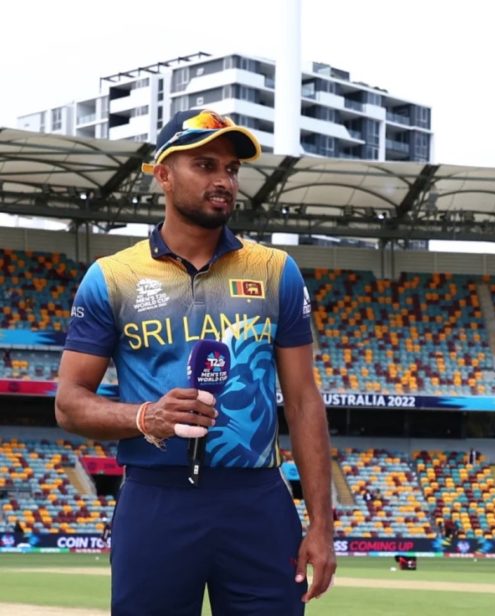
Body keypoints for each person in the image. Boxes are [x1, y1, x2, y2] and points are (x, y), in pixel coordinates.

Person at [55, 109, 336, 615]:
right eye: (205, 165)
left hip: (257, 501)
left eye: (230, 169)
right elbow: (69, 404)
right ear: (163, 174)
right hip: (156, 498)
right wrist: (145, 417)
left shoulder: (276, 271)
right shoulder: (111, 276)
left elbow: (302, 399)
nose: (223, 181)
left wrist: (321, 524)